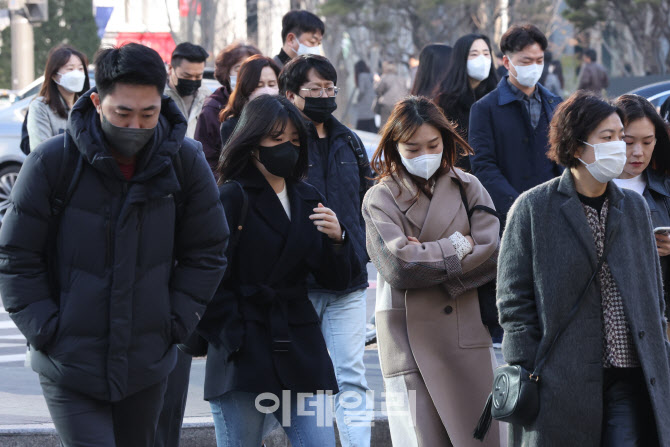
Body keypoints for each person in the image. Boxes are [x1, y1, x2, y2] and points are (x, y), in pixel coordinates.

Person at [0, 43, 227, 447]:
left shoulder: (185, 162)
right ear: (96, 101)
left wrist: (174, 322)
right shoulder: (53, 162)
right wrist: (46, 329)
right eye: (122, 113)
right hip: (68, 362)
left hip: (148, 361)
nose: (135, 126)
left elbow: (208, 250)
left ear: (162, 102)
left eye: (148, 113)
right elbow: (16, 255)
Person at [497, 90, 670, 446]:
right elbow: (513, 300)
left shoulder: (635, 208)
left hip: (629, 371)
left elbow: (653, 292)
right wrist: (527, 366)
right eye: (607, 138)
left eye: (620, 137)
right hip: (561, 378)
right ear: (576, 147)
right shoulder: (533, 208)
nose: (619, 147)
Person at [197, 94, 360, 447]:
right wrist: (232, 337)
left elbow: (335, 280)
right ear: (252, 142)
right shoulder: (231, 197)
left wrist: (338, 239)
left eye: (294, 141)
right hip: (244, 350)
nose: (286, 148)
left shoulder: (307, 196)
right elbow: (207, 278)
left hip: (300, 346)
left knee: (319, 442)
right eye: (276, 139)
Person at [363, 96, 503, 446]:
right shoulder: (380, 198)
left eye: (433, 145)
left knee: (481, 436)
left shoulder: (468, 186)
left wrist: (426, 253)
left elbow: (492, 252)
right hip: (407, 338)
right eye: (412, 148)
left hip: (465, 329)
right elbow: (401, 266)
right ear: (395, 147)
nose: (424, 154)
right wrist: (459, 243)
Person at [279, 54, 373, 447]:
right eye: (314, 89)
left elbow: (368, 199)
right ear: (291, 94)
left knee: (350, 374)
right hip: (296, 284)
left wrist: (363, 249)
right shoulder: (280, 144)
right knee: (299, 381)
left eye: (329, 89)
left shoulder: (349, 140)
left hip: (347, 280)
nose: (324, 96)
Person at [469, 24, 563, 226]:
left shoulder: (556, 104)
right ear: (507, 62)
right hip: (509, 217)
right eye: (526, 61)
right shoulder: (484, 109)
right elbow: (484, 167)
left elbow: (564, 160)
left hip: (556, 212)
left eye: (539, 60)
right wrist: (517, 204)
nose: (534, 67)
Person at [612, 94, 670, 337]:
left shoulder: (665, 190)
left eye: (647, 142)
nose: (638, 152)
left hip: (658, 322)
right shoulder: (587, 188)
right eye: (628, 142)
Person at [434, 34, 498, 171]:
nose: (482, 60)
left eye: (486, 54)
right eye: (474, 54)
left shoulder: (498, 97)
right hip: (461, 176)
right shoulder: (446, 102)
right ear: (461, 59)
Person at [194, 42, 261, 172]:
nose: (245, 74)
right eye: (239, 68)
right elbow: (206, 160)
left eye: (250, 68)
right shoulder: (213, 108)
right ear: (227, 72)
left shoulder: (266, 103)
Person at [218, 55, 281, 167]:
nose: (266, 90)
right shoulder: (232, 125)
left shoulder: (287, 120)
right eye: (259, 85)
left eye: (271, 84)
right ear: (246, 88)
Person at [27, 44, 91, 151]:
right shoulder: (41, 107)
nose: (76, 74)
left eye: (80, 69)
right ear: (54, 75)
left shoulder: (88, 106)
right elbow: (41, 151)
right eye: (70, 69)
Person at [165, 42, 211, 139]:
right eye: (186, 76)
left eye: (198, 76)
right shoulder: (158, 98)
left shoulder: (209, 100)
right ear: (170, 69)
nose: (193, 80)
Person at [375, 61, 408, 128]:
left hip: (387, 103)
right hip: (400, 103)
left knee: (385, 124)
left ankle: (384, 137)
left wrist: (377, 81)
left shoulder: (385, 78)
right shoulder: (402, 79)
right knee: (396, 124)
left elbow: (378, 90)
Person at [353, 60, 377, 132]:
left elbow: (362, 91)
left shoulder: (361, 76)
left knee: (361, 123)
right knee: (371, 120)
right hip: (372, 100)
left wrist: (358, 98)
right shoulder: (370, 75)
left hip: (364, 101)